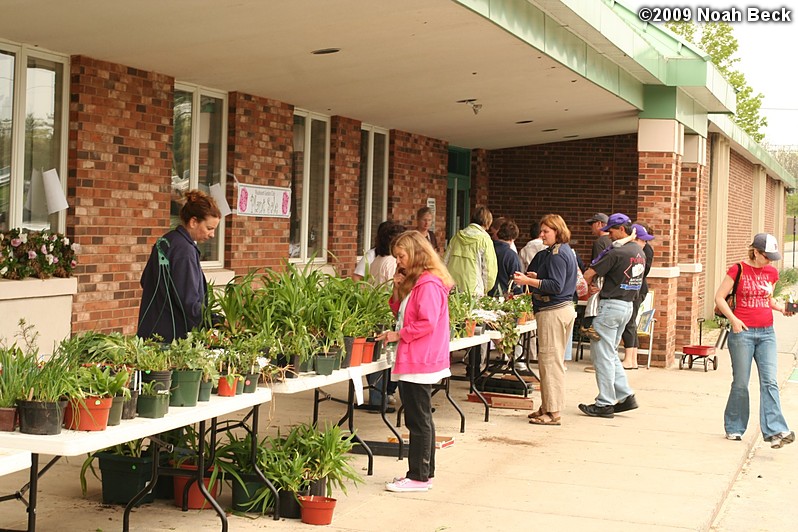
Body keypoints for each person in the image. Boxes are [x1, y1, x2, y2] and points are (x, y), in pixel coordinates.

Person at [378, 231, 454, 493]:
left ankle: (419, 477)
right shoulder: (419, 281)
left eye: (402, 256)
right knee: (420, 419)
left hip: (420, 359)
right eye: (397, 257)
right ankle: (422, 473)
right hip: (416, 357)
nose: (399, 261)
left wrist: (398, 334)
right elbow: (400, 310)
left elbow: (427, 322)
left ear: (417, 254)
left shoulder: (429, 284)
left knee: (418, 420)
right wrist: (398, 286)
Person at [714, 233, 795, 448]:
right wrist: (734, 320)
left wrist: (781, 308)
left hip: (767, 332)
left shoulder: (771, 272)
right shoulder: (738, 269)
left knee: (770, 381)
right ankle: (734, 427)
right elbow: (719, 297)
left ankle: (775, 430)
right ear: (756, 252)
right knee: (741, 383)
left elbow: (766, 299)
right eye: (766, 256)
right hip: (743, 333)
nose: (770, 261)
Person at [513, 214, 577, 426]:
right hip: (561, 310)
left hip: (554, 311)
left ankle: (553, 412)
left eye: (546, 232)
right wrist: (535, 276)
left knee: (550, 362)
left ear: (557, 231)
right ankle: (547, 406)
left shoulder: (558, 254)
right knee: (549, 361)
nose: (541, 236)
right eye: (541, 231)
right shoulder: (563, 251)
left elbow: (556, 285)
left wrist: (528, 280)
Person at [578, 213, 643, 418]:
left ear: (621, 229)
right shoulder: (639, 251)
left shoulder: (617, 252)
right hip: (627, 306)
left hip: (609, 307)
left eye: (612, 231)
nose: (609, 236)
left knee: (602, 355)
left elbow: (589, 273)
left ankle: (604, 402)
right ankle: (625, 395)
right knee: (611, 352)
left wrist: (589, 285)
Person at [138, 189, 221, 342]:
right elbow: (189, 302)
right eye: (209, 228)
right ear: (194, 222)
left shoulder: (166, 240)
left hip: (151, 331)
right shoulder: (185, 250)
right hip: (172, 337)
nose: (212, 235)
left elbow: (145, 281)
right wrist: (218, 322)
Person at [365, 222, 405, 410]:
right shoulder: (391, 262)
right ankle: (381, 395)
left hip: (374, 310)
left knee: (376, 354)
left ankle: (377, 395)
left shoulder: (376, 260)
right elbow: (393, 289)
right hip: (386, 311)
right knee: (384, 357)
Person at [620, 223, 655, 369]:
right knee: (631, 322)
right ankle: (632, 359)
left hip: (636, 288)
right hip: (639, 288)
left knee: (629, 323)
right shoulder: (645, 250)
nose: (645, 242)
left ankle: (629, 359)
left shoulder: (641, 251)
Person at [444, 205, 497, 297]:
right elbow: (489, 271)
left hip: (452, 288)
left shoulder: (456, 237)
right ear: (488, 221)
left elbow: (445, 262)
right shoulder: (485, 240)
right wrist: (484, 288)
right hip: (474, 290)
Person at [490, 220, 522, 297]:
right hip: (504, 297)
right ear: (513, 238)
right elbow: (516, 282)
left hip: (485, 295)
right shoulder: (512, 256)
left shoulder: (488, 249)